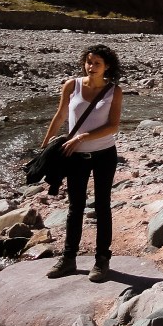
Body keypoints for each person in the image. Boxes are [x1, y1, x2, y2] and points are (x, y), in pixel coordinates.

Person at [41, 44, 124, 282]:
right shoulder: (72, 85)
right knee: (75, 207)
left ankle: (102, 260)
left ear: (107, 66)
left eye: (97, 63)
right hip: (75, 156)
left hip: (104, 154)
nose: (91, 66)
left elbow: (113, 126)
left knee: (102, 206)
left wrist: (82, 137)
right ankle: (68, 259)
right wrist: (45, 146)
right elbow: (60, 116)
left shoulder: (114, 91)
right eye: (89, 62)